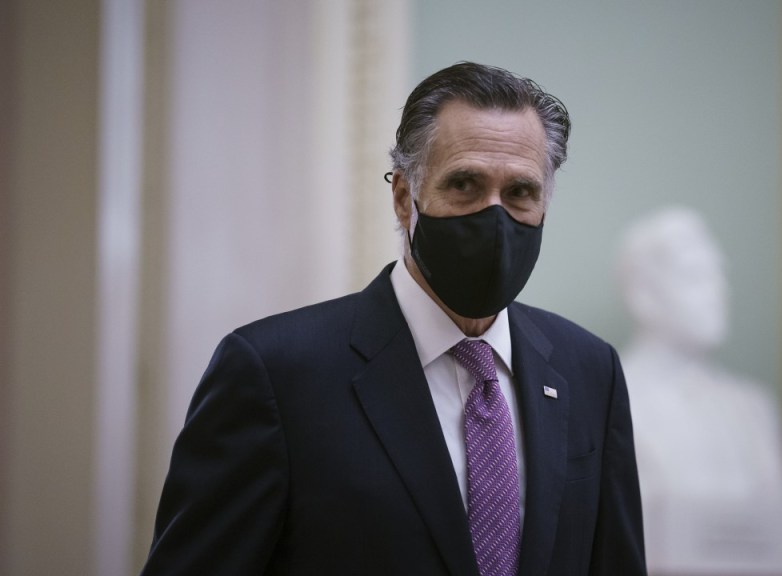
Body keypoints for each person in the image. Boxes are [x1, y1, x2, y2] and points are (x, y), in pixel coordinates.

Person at [140, 62, 647, 576]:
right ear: (405, 198)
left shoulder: (590, 369)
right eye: (464, 184)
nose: (494, 217)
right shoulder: (274, 373)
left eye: (520, 192)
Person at [617, 207, 782, 503]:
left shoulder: (753, 409)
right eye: (696, 276)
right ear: (643, 295)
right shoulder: (611, 400)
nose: (719, 291)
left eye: (719, 274)